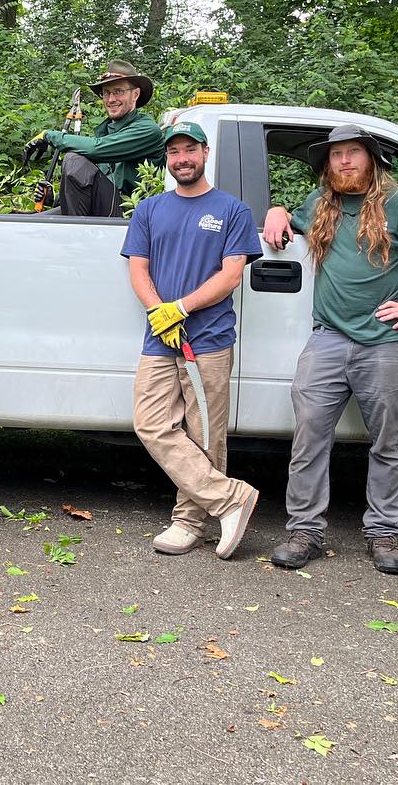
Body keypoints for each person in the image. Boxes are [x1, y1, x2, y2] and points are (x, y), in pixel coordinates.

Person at [261, 125, 398, 576]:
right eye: (336, 155)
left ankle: (383, 532)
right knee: (309, 437)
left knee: (389, 443)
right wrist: (276, 210)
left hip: (384, 343)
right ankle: (305, 531)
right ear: (327, 165)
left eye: (354, 153)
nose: (345, 161)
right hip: (327, 338)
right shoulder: (320, 205)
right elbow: (288, 221)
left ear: (371, 160)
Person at [121, 121, 263, 558]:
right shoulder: (149, 209)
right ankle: (229, 498)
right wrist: (158, 312)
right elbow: (138, 269)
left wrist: (181, 308)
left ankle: (190, 522)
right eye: (174, 152)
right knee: (150, 423)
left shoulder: (232, 210)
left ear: (205, 153)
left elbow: (232, 273)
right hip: (160, 337)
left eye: (189, 150)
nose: (181, 159)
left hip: (209, 339)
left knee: (205, 433)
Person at [24, 61, 165, 216]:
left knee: (74, 160)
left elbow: (95, 148)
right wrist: (55, 199)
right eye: (106, 93)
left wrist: (49, 136)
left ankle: (76, 237)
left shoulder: (147, 130)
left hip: (133, 216)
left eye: (118, 91)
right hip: (105, 209)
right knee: (30, 224)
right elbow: (91, 188)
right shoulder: (107, 131)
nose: (111, 99)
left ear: (135, 94)